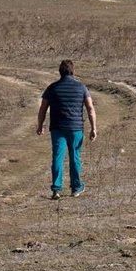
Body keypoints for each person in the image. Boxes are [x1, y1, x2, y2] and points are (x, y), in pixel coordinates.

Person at [37, 59, 96, 199]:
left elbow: (42, 109)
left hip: (57, 128)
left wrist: (40, 125)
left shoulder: (52, 88)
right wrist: (94, 127)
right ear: (72, 71)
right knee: (74, 157)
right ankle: (76, 188)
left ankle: (56, 189)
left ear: (60, 72)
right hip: (76, 128)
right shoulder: (81, 87)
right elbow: (90, 108)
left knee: (57, 157)